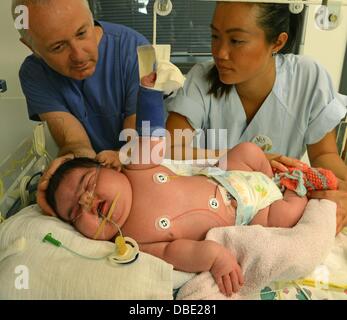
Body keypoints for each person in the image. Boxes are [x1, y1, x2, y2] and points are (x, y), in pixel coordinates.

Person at [42, 83, 318, 297]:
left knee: (248, 150)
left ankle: (276, 178)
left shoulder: (137, 169)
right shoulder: (133, 239)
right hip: (245, 213)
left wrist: (149, 92)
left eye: (88, 184)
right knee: (282, 217)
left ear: (110, 166)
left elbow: (150, 134)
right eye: (75, 211)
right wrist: (214, 257)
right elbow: (172, 252)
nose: (87, 201)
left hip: (226, 177)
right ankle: (295, 188)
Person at [164, 2, 347, 232]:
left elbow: (325, 155)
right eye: (215, 36)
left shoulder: (307, 78)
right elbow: (167, 150)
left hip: (273, 216)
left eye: (236, 41)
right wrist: (243, 160)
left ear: (277, 42)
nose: (219, 52)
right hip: (208, 210)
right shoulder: (201, 79)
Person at [12, 0, 149, 162]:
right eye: (58, 47)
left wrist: (120, 158)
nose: (79, 56)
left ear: (91, 17)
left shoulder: (136, 50)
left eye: (81, 33)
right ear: (31, 47)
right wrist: (77, 165)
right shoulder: (35, 73)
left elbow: (139, 142)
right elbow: (75, 143)